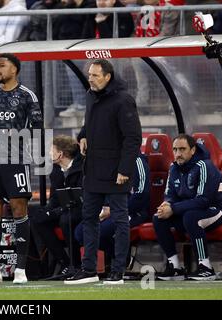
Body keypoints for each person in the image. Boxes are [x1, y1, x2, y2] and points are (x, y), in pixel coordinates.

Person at [64, 59, 142, 285]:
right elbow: (89, 123)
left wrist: (125, 169)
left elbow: (133, 138)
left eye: (95, 75)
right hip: (94, 170)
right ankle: (89, 270)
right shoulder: (91, 95)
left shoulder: (123, 100)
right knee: (88, 218)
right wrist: (83, 136)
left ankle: (118, 271)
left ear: (108, 77)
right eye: (90, 74)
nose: (91, 78)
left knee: (119, 220)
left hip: (117, 172)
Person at [0, 53, 43, 285]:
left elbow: (37, 127)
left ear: (15, 69)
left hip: (17, 159)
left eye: (2, 65)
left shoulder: (27, 95)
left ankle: (21, 271)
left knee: (18, 208)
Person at [155, 134, 222, 281]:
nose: (178, 154)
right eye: (175, 149)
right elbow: (170, 194)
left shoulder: (205, 166)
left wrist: (173, 208)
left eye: (182, 149)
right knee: (159, 218)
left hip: (216, 211)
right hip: (190, 210)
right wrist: (167, 204)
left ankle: (206, 267)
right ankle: (175, 267)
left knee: (191, 217)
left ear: (192, 150)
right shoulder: (174, 167)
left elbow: (203, 200)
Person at [74, 152, 150, 267]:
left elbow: (141, 195)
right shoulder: (110, 160)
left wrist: (113, 210)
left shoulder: (137, 161)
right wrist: (103, 207)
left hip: (133, 211)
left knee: (102, 231)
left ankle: (121, 260)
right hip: (110, 209)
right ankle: (119, 256)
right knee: (80, 232)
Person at [30, 135, 84, 280]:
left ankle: (76, 265)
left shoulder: (82, 167)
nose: (49, 153)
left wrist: (60, 210)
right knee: (38, 219)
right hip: (63, 209)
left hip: (80, 209)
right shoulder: (55, 170)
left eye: (51, 150)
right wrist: (48, 210)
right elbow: (55, 196)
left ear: (61, 154)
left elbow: (82, 198)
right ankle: (65, 262)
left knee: (66, 220)